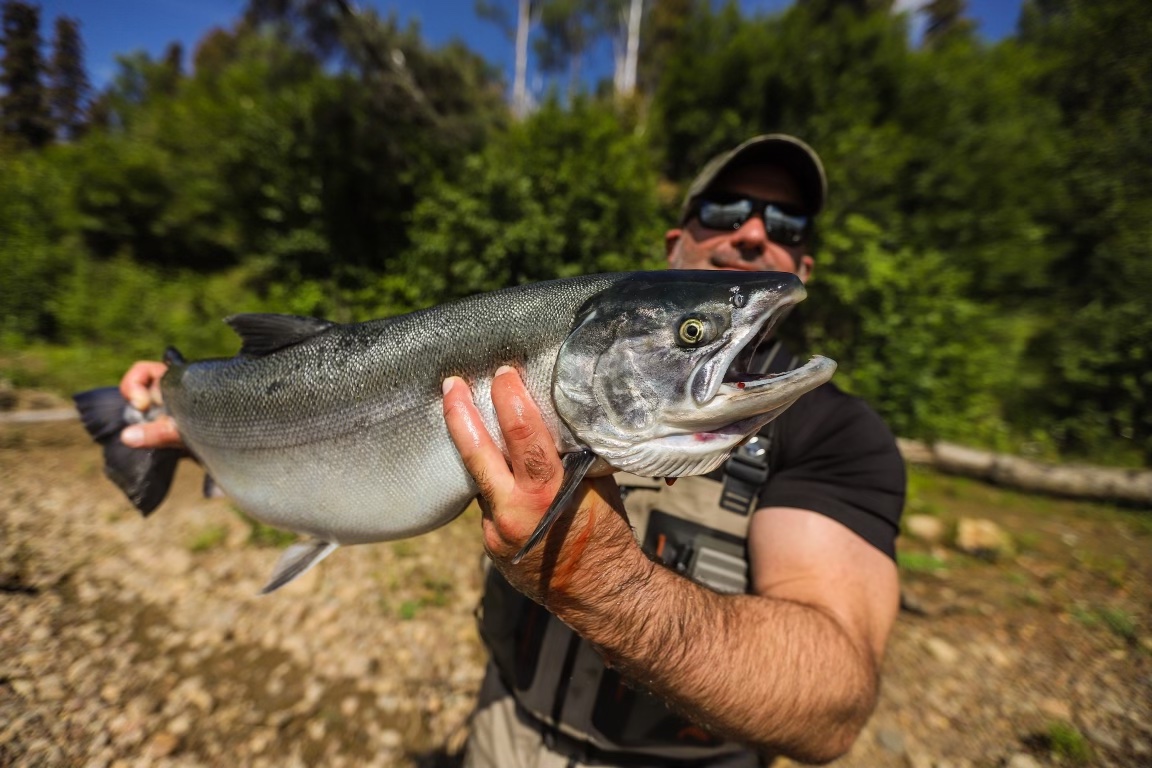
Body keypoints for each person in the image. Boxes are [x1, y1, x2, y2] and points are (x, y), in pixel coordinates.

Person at [119, 135, 905, 767]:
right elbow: (327, 440)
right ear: (676, 243)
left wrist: (603, 581)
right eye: (725, 208)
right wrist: (201, 417)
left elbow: (832, 705)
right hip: (499, 737)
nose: (754, 229)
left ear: (802, 267)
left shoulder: (837, 436)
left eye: (787, 225)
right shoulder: (550, 340)